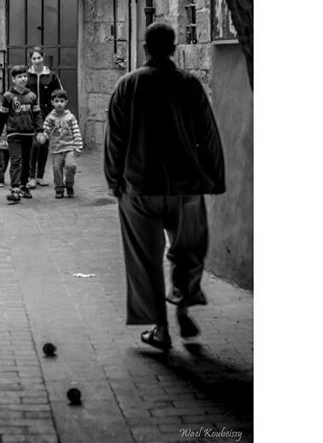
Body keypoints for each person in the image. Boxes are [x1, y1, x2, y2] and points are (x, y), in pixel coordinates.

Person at [104, 21, 225, 351]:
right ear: (174, 49)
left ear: (145, 48)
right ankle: (183, 308)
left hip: (140, 187)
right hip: (185, 186)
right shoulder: (189, 85)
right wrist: (213, 177)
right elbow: (208, 135)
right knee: (187, 252)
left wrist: (114, 178)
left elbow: (115, 138)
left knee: (145, 258)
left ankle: (160, 329)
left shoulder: (127, 85)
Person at [0, 65, 44, 203]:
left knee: (27, 162)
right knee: (16, 160)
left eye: (24, 76)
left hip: (29, 134)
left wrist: (40, 130)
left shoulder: (32, 96)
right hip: (13, 134)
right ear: (13, 79)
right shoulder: (8, 96)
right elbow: (3, 116)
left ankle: (23, 186)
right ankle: (15, 189)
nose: (23, 79)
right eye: (19, 77)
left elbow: (37, 114)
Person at [26, 47, 62, 189]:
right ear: (31, 60)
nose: (37, 61)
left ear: (43, 58)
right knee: (34, 145)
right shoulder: (26, 75)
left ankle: (40, 176)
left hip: (47, 115)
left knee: (44, 145)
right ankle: (31, 177)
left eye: (39, 58)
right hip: (31, 115)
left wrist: (57, 113)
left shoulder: (52, 76)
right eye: (34, 58)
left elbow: (59, 94)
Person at [41, 89, 83, 199]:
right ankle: (59, 188)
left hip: (69, 147)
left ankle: (69, 185)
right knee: (56, 169)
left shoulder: (70, 117)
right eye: (56, 101)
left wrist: (78, 146)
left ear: (66, 102)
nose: (59, 103)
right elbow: (46, 130)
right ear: (52, 103)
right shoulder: (50, 118)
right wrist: (43, 137)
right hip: (56, 149)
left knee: (71, 166)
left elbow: (76, 131)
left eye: (61, 101)